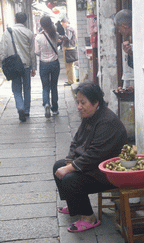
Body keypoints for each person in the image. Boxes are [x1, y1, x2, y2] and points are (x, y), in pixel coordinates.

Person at [53, 82, 128, 233]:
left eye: (83, 102)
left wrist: (69, 168)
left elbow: (94, 155)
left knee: (69, 179)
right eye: (78, 102)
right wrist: (69, 160)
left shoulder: (107, 122)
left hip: (107, 173)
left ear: (95, 102)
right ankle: (74, 203)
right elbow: (77, 140)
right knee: (58, 166)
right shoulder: (91, 115)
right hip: (94, 165)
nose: (79, 106)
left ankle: (89, 218)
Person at [0, 12, 36, 122]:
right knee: (27, 88)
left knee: (16, 89)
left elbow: (3, 49)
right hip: (26, 66)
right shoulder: (29, 33)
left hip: (14, 65)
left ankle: (19, 107)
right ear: (25, 21)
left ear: (15, 19)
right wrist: (33, 67)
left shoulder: (7, 32)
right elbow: (32, 52)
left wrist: (3, 63)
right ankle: (26, 110)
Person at [35, 16, 60, 118]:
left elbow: (36, 52)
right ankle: (55, 109)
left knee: (45, 87)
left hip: (44, 64)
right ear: (51, 23)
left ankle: (46, 104)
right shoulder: (56, 34)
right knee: (54, 86)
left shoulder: (38, 37)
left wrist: (42, 54)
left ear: (41, 25)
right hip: (54, 63)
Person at [60, 18, 77, 86]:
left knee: (69, 66)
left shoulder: (68, 29)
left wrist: (61, 37)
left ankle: (71, 81)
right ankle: (70, 80)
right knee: (69, 66)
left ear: (66, 22)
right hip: (69, 48)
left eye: (63, 24)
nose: (62, 25)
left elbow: (68, 38)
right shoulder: (69, 28)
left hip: (68, 49)